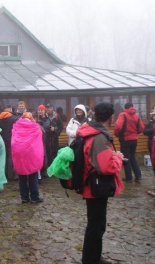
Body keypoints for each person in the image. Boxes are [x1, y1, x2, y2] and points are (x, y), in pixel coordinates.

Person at [77, 102, 124, 264]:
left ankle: (95, 257)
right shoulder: (99, 137)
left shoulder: (91, 131)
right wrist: (117, 156)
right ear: (111, 117)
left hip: (92, 185)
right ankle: (91, 260)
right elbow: (106, 167)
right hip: (96, 187)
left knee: (96, 225)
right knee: (96, 227)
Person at [12, 112, 44, 203]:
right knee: (33, 175)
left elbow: (13, 139)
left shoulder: (16, 126)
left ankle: (24, 197)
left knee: (22, 176)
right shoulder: (35, 126)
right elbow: (40, 135)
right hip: (31, 155)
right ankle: (34, 197)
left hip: (19, 155)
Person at [114, 102, 144, 183]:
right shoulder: (136, 116)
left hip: (125, 139)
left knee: (126, 158)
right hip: (134, 139)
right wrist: (135, 133)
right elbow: (141, 128)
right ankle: (138, 176)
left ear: (125, 107)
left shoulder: (122, 115)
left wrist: (116, 134)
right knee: (132, 156)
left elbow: (118, 126)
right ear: (132, 107)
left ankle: (129, 178)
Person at [0, 104, 18, 180]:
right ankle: (10, 175)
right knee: (10, 157)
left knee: (4, 156)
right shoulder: (14, 118)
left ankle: (4, 173)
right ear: (10, 109)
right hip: (12, 140)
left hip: (2, 140)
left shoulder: (0, 118)